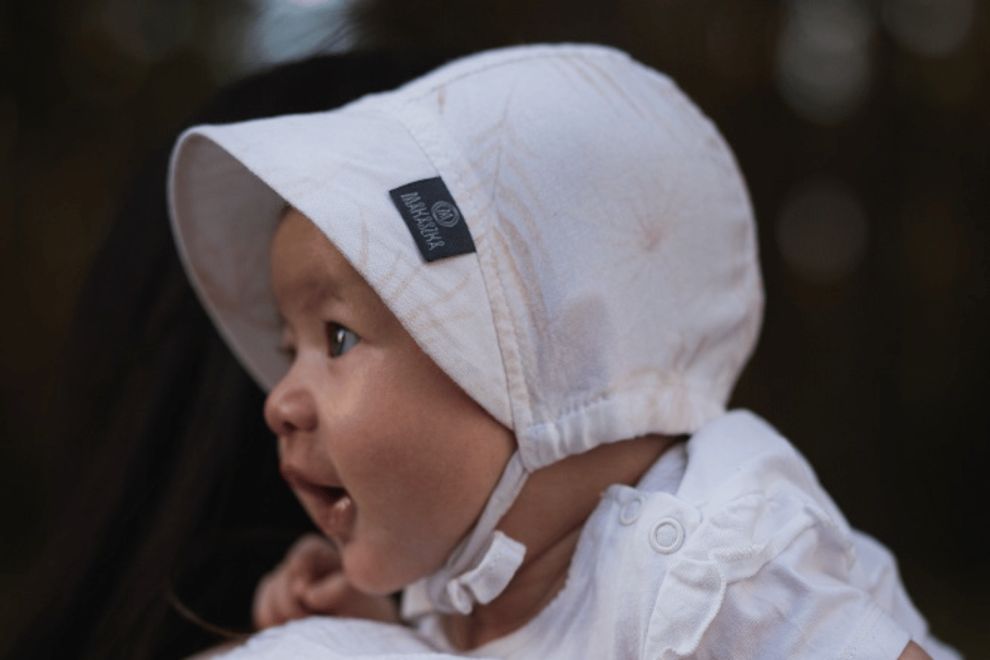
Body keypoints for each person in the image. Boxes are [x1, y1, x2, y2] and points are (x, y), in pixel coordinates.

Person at [167, 44, 958, 659]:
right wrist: (380, 628)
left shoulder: (707, 573)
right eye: (288, 346)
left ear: (540, 374)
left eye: (337, 338)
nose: (278, 399)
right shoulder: (467, 585)